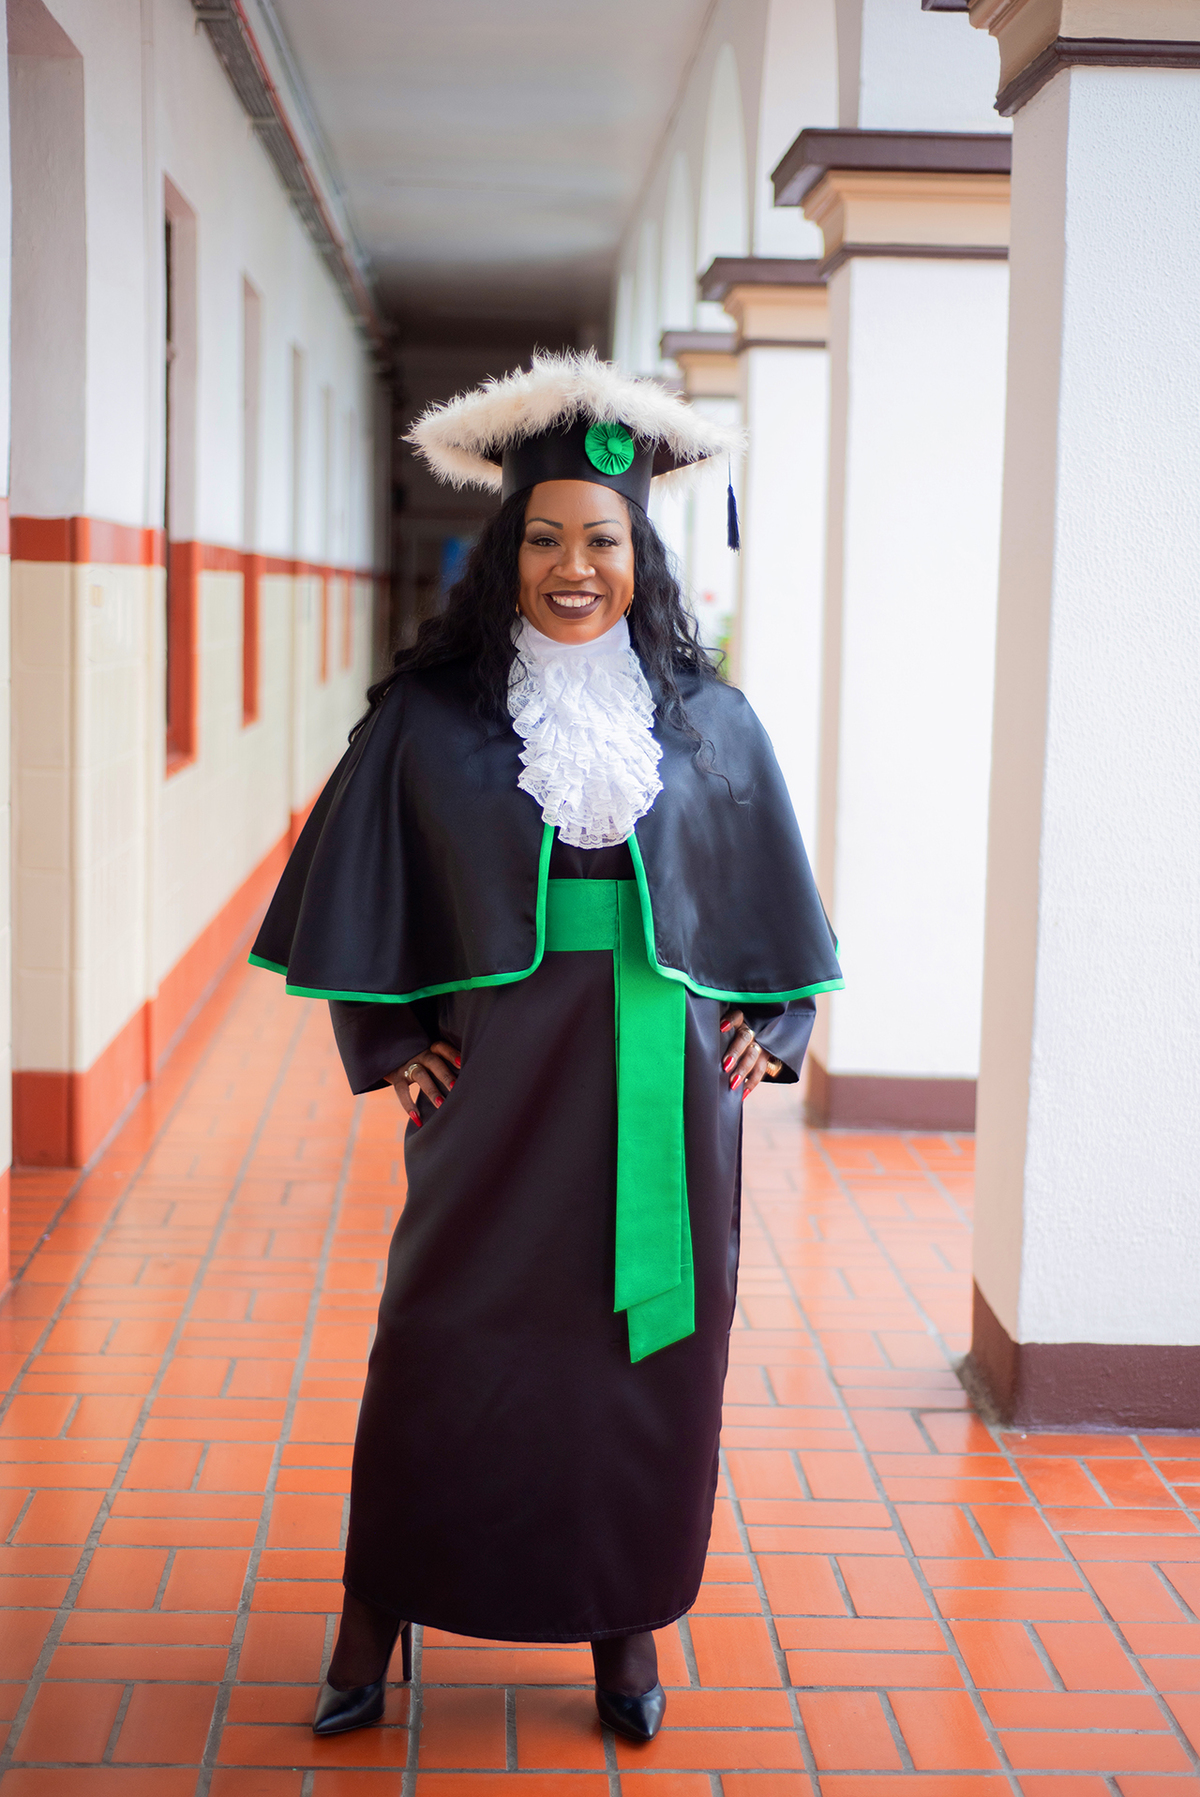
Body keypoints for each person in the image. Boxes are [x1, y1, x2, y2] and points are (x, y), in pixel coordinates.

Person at [250, 351, 842, 1744]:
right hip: (497, 1088)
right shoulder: (427, 721)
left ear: (644, 552)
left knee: (643, 1363)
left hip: (663, 1098)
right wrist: (393, 1040)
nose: (576, 567)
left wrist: (776, 1026)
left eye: (605, 540)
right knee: (440, 1345)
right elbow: (363, 891)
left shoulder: (712, 726)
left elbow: (776, 910)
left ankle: (621, 1616)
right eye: (546, 538)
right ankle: (375, 1605)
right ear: (503, 550)